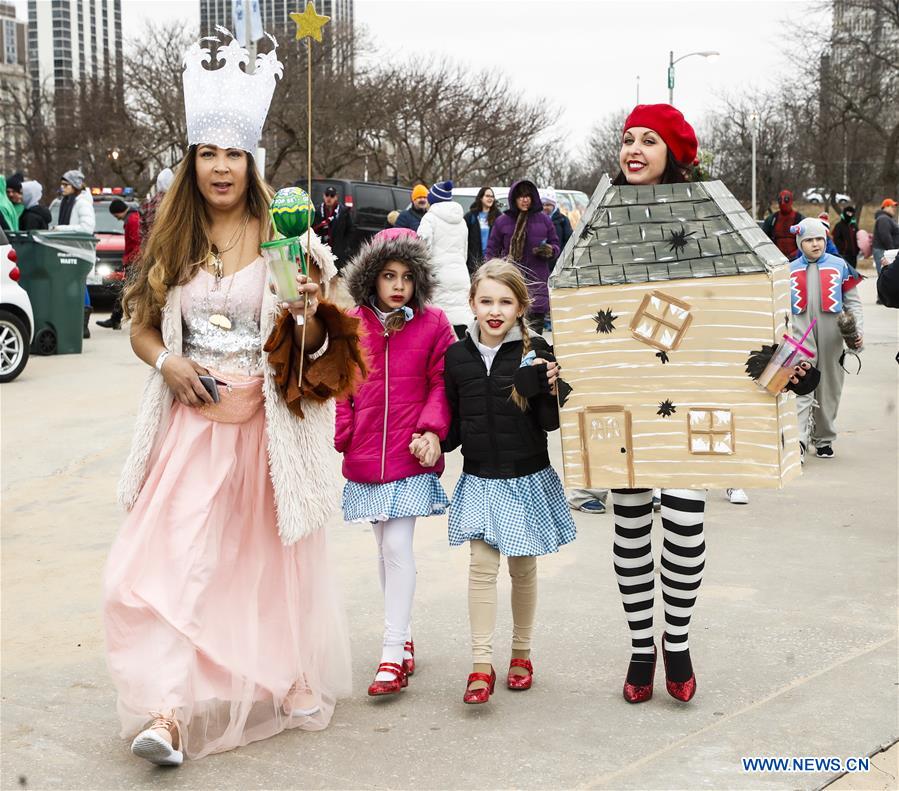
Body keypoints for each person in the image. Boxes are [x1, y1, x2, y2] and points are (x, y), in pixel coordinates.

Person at [103, 30, 361, 766]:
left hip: (262, 435)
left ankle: (284, 676)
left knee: (259, 565)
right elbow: (140, 329)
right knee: (164, 563)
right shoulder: (173, 236)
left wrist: (311, 303)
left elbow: (315, 336)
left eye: (233, 154)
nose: (220, 167)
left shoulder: (285, 234)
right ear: (192, 162)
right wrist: (167, 365)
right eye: (208, 154)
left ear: (251, 162)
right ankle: (169, 711)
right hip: (191, 430)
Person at [608, 104, 711, 704]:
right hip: (622, 391)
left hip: (687, 389)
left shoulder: (703, 217)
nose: (635, 148)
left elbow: (733, 298)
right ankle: (641, 644)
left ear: (673, 152)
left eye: (649, 140)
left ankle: (678, 637)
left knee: (684, 525)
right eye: (628, 139)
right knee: (629, 527)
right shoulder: (602, 218)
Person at [442, 259, 576, 705]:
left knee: (522, 569)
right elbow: (454, 426)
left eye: (505, 301)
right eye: (486, 301)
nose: (494, 310)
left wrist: (546, 388)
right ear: (472, 303)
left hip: (526, 477)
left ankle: (521, 653)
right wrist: (431, 438)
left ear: (521, 306)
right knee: (481, 570)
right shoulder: (456, 357)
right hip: (480, 478)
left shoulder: (537, 351)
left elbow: (551, 424)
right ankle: (482, 663)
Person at [337, 227, 455, 697]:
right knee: (384, 547)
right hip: (366, 453)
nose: (399, 285)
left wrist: (431, 430)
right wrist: (345, 430)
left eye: (408, 276)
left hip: (409, 451)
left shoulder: (434, 324)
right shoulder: (351, 323)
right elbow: (341, 382)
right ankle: (402, 636)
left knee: (399, 546)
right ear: (372, 277)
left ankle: (390, 655)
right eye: (389, 275)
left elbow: (441, 382)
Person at [789, 217, 864, 461]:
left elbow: (853, 303)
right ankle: (799, 440)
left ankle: (823, 438)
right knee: (802, 384)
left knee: (830, 389)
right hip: (801, 335)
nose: (815, 244)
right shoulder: (789, 269)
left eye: (819, 239)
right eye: (809, 240)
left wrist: (857, 331)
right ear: (800, 241)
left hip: (833, 337)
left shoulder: (839, 265)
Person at [485, 180, 560, 334]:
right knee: (512, 332)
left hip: (537, 281)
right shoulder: (502, 222)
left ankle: (533, 357)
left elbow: (556, 245)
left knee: (534, 335)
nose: (525, 200)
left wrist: (549, 250)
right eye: (521, 197)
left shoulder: (544, 220)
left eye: (528, 196)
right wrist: (493, 272)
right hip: (510, 282)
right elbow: (491, 251)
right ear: (514, 199)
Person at [415, 180, 471, 338]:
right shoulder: (462, 220)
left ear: (432, 199)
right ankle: (463, 351)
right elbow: (464, 252)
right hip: (460, 274)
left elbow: (422, 248)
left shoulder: (429, 218)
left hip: (438, 274)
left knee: (438, 318)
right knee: (461, 316)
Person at [54, 169, 96, 338]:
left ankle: (83, 325)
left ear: (75, 186)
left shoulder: (82, 203)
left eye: (66, 185)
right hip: (70, 249)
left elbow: (87, 228)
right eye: (62, 185)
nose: (62, 188)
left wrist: (62, 229)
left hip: (80, 250)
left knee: (80, 284)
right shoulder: (68, 202)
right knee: (75, 285)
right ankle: (76, 322)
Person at [97, 199, 141, 329]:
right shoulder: (133, 218)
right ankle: (115, 319)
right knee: (125, 290)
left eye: (116, 216)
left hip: (135, 261)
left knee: (126, 290)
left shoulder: (132, 220)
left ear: (119, 211)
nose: (117, 219)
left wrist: (130, 261)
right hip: (135, 260)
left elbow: (135, 243)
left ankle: (116, 319)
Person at [462, 186, 501, 275]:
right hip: (474, 262)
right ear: (480, 198)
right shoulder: (470, 216)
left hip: (492, 262)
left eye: (492, 196)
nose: (490, 198)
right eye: (487, 196)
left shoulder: (498, 217)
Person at [313, 186, 353, 270]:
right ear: (323, 196)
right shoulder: (317, 211)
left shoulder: (343, 212)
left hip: (336, 251)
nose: (329, 198)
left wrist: (344, 245)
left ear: (336, 197)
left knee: (334, 277)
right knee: (320, 275)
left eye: (332, 196)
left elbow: (349, 230)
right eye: (327, 195)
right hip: (321, 249)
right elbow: (312, 229)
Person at [762, 190, 804, 259]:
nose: (783, 203)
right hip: (776, 258)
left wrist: (796, 254)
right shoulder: (772, 219)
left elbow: (807, 240)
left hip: (796, 258)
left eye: (786, 200)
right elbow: (764, 239)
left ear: (791, 201)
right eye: (780, 200)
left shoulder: (800, 219)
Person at [139, 167, 175, 245]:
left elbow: (142, 231)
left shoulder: (148, 204)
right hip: (174, 248)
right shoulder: (178, 203)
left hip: (152, 248)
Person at [873, 198, 899, 275]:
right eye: (892, 206)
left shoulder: (887, 218)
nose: (894, 209)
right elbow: (885, 236)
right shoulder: (883, 219)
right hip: (883, 251)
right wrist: (892, 251)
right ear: (885, 207)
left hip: (885, 251)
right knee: (885, 275)